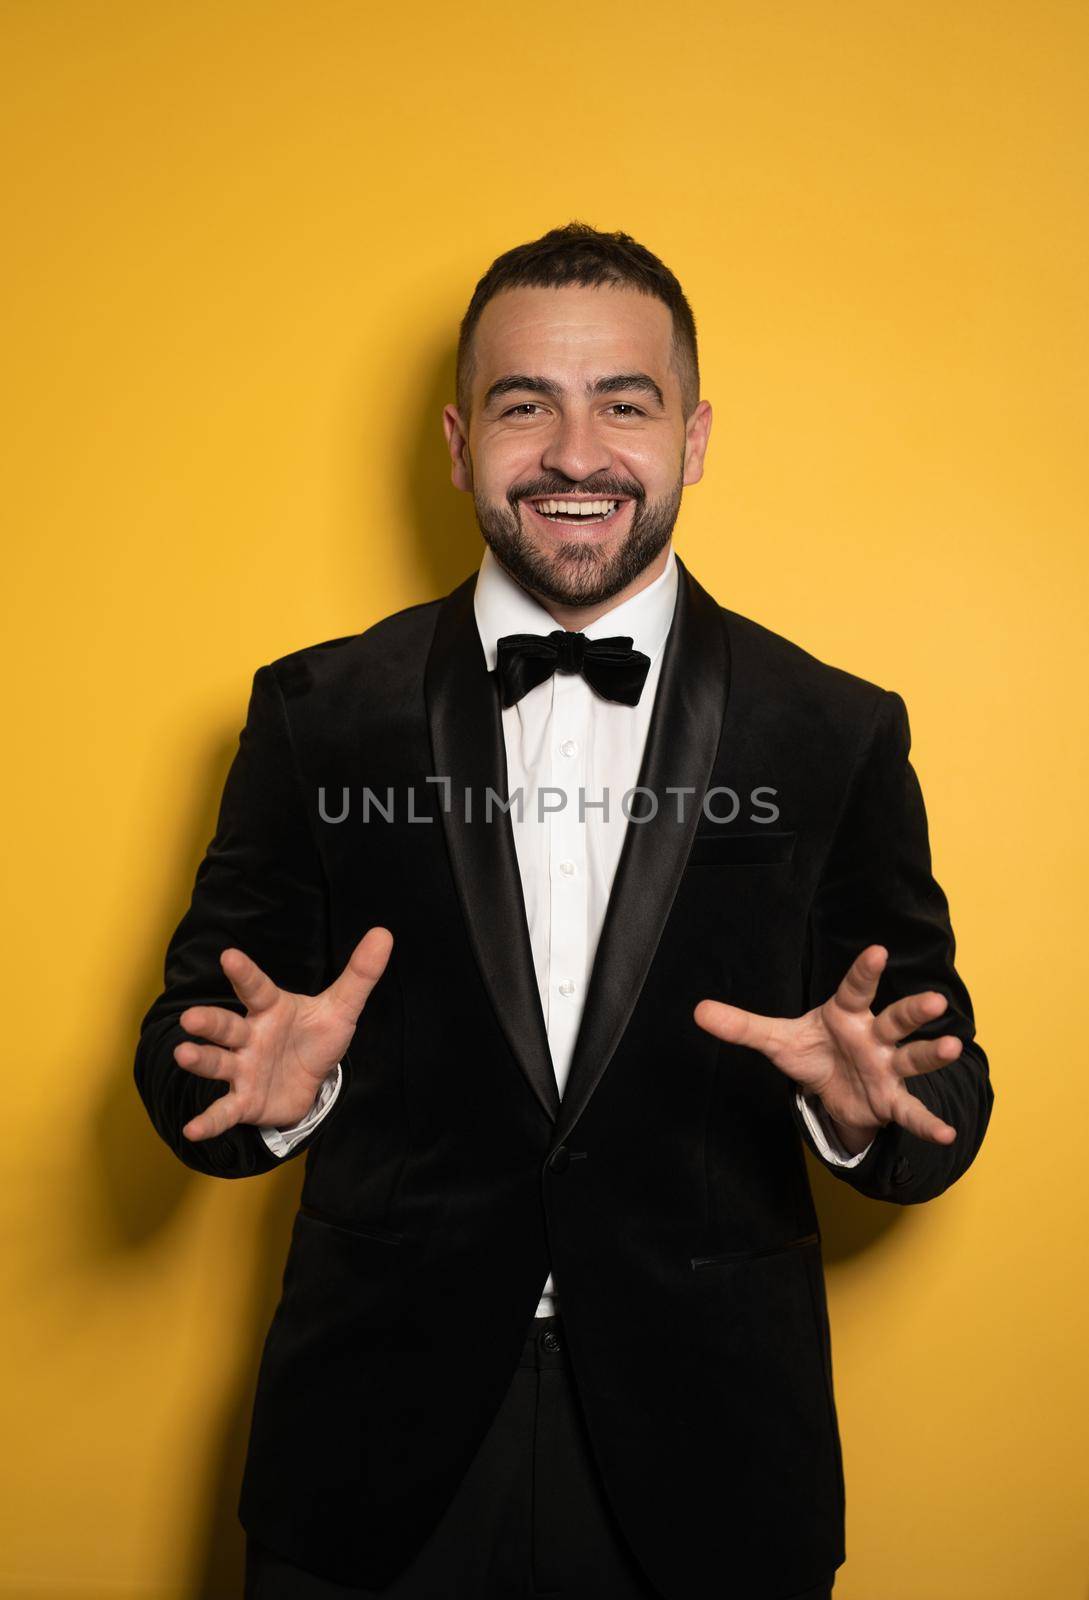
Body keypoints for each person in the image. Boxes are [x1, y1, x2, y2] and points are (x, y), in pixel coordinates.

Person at [134, 222, 993, 1600]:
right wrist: (272, 1092)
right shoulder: (312, 713)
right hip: (369, 1452)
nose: (577, 454)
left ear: (694, 436)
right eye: (527, 404)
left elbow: (936, 1104)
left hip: (713, 1462)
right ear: (461, 439)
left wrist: (854, 1111)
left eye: (625, 403)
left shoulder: (832, 730)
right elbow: (188, 1061)